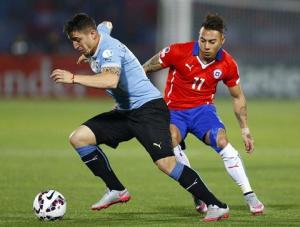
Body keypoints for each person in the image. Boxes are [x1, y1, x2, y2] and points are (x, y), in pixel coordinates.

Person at [50, 13, 229, 222]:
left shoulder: (109, 49)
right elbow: (107, 24)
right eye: (73, 41)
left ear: (91, 34)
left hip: (148, 110)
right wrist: (88, 52)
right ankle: (116, 189)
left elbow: (110, 80)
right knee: (79, 138)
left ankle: (216, 204)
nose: (75, 46)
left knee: (167, 164)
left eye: (78, 40)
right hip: (125, 112)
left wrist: (73, 78)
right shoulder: (98, 36)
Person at [142, 13, 264, 215]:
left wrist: (245, 129)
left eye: (212, 42)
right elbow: (145, 68)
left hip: (203, 111)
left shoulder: (228, 64)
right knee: (170, 140)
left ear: (222, 41)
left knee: (222, 141)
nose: (206, 46)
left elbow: (238, 97)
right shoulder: (178, 51)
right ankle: (197, 191)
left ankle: (249, 195)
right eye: (203, 40)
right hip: (174, 111)